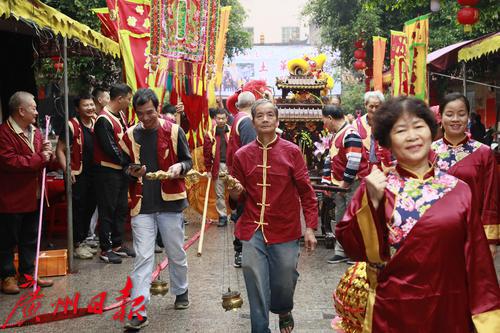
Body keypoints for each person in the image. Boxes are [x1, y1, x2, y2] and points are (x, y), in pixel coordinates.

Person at [336, 96, 500, 332]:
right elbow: (354, 248)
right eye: (401, 130)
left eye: (419, 126)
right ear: (387, 141)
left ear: (431, 131)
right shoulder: (376, 186)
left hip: (449, 307)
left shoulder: (459, 189)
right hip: (392, 309)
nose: (412, 136)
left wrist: (489, 320)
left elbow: (477, 261)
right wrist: (372, 202)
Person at [229, 99, 318, 333]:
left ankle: (284, 309)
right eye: (260, 116)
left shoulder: (292, 151)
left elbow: (306, 192)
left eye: (270, 115)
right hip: (251, 227)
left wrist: (310, 227)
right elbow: (235, 198)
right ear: (253, 121)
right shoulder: (241, 155)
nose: (265, 119)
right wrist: (234, 192)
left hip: (285, 227)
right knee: (253, 274)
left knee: (285, 276)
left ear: (277, 120)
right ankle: (260, 329)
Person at [120, 88, 192, 330]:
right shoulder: (129, 135)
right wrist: (132, 170)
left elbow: (188, 160)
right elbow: (122, 166)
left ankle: (181, 290)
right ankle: (138, 310)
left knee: (175, 251)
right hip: (142, 203)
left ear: (158, 108)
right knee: (143, 257)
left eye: (149, 112)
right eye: (140, 114)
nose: (146, 118)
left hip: (170, 201)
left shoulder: (173, 130)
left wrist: (179, 167)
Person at [0, 91, 54, 294]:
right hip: (12, 196)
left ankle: (28, 273)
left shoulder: (36, 132)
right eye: (33, 107)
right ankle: (6, 276)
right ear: (21, 110)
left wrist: (47, 153)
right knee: (7, 240)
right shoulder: (4, 133)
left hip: (35, 194)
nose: (37, 111)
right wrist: (41, 157)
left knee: (30, 237)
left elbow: (42, 161)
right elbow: (11, 162)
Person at [431, 93, 498, 256]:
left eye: (461, 114)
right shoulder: (429, 152)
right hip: (435, 233)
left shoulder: (483, 153)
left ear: (468, 116)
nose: (455, 119)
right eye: (449, 114)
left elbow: (491, 196)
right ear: (440, 117)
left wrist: (490, 239)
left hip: (472, 234)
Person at [93, 83, 135, 264]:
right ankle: (106, 248)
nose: (129, 102)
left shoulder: (121, 116)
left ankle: (117, 244)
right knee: (107, 209)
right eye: (128, 99)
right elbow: (110, 148)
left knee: (120, 208)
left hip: (120, 171)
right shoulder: (103, 119)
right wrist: (129, 162)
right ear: (120, 99)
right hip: (107, 171)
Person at [321, 105, 367, 264]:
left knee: (353, 219)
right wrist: (326, 180)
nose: (324, 124)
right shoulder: (337, 134)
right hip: (341, 184)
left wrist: (345, 184)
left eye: (324, 120)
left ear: (330, 118)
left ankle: (356, 252)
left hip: (352, 184)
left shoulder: (350, 133)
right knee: (341, 219)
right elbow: (330, 158)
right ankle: (342, 251)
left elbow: (354, 161)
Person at [55, 94, 98, 259]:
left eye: (91, 104)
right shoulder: (71, 125)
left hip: (93, 173)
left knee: (90, 206)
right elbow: (59, 150)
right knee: (77, 209)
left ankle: (83, 239)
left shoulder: (95, 122)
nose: (90, 108)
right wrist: (66, 170)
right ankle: (77, 244)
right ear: (78, 109)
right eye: (86, 105)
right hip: (76, 173)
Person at [226, 91, 257, 268]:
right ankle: (240, 250)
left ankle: (241, 249)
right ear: (253, 105)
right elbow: (250, 151)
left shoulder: (237, 118)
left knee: (241, 212)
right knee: (244, 212)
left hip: (237, 173)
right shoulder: (246, 121)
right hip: (243, 175)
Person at [203, 108, 231, 227]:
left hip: (231, 166)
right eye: (218, 118)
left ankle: (234, 213)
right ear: (215, 119)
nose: (220, 120)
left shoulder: (232, 132)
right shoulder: (210, 134)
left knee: (233, 191)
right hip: (217, 166)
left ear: (227, 119)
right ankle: (222, 216)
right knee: (219, 193)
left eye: (223, 118)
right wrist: (208, 169)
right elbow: (207, 153)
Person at [353, 91, 393, 169]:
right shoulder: (356, 124)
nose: (374, 110)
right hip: (363, 169)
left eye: (377, 106)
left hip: (386, 168)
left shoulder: (388, 122)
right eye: (371, 106)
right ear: (365, 105)